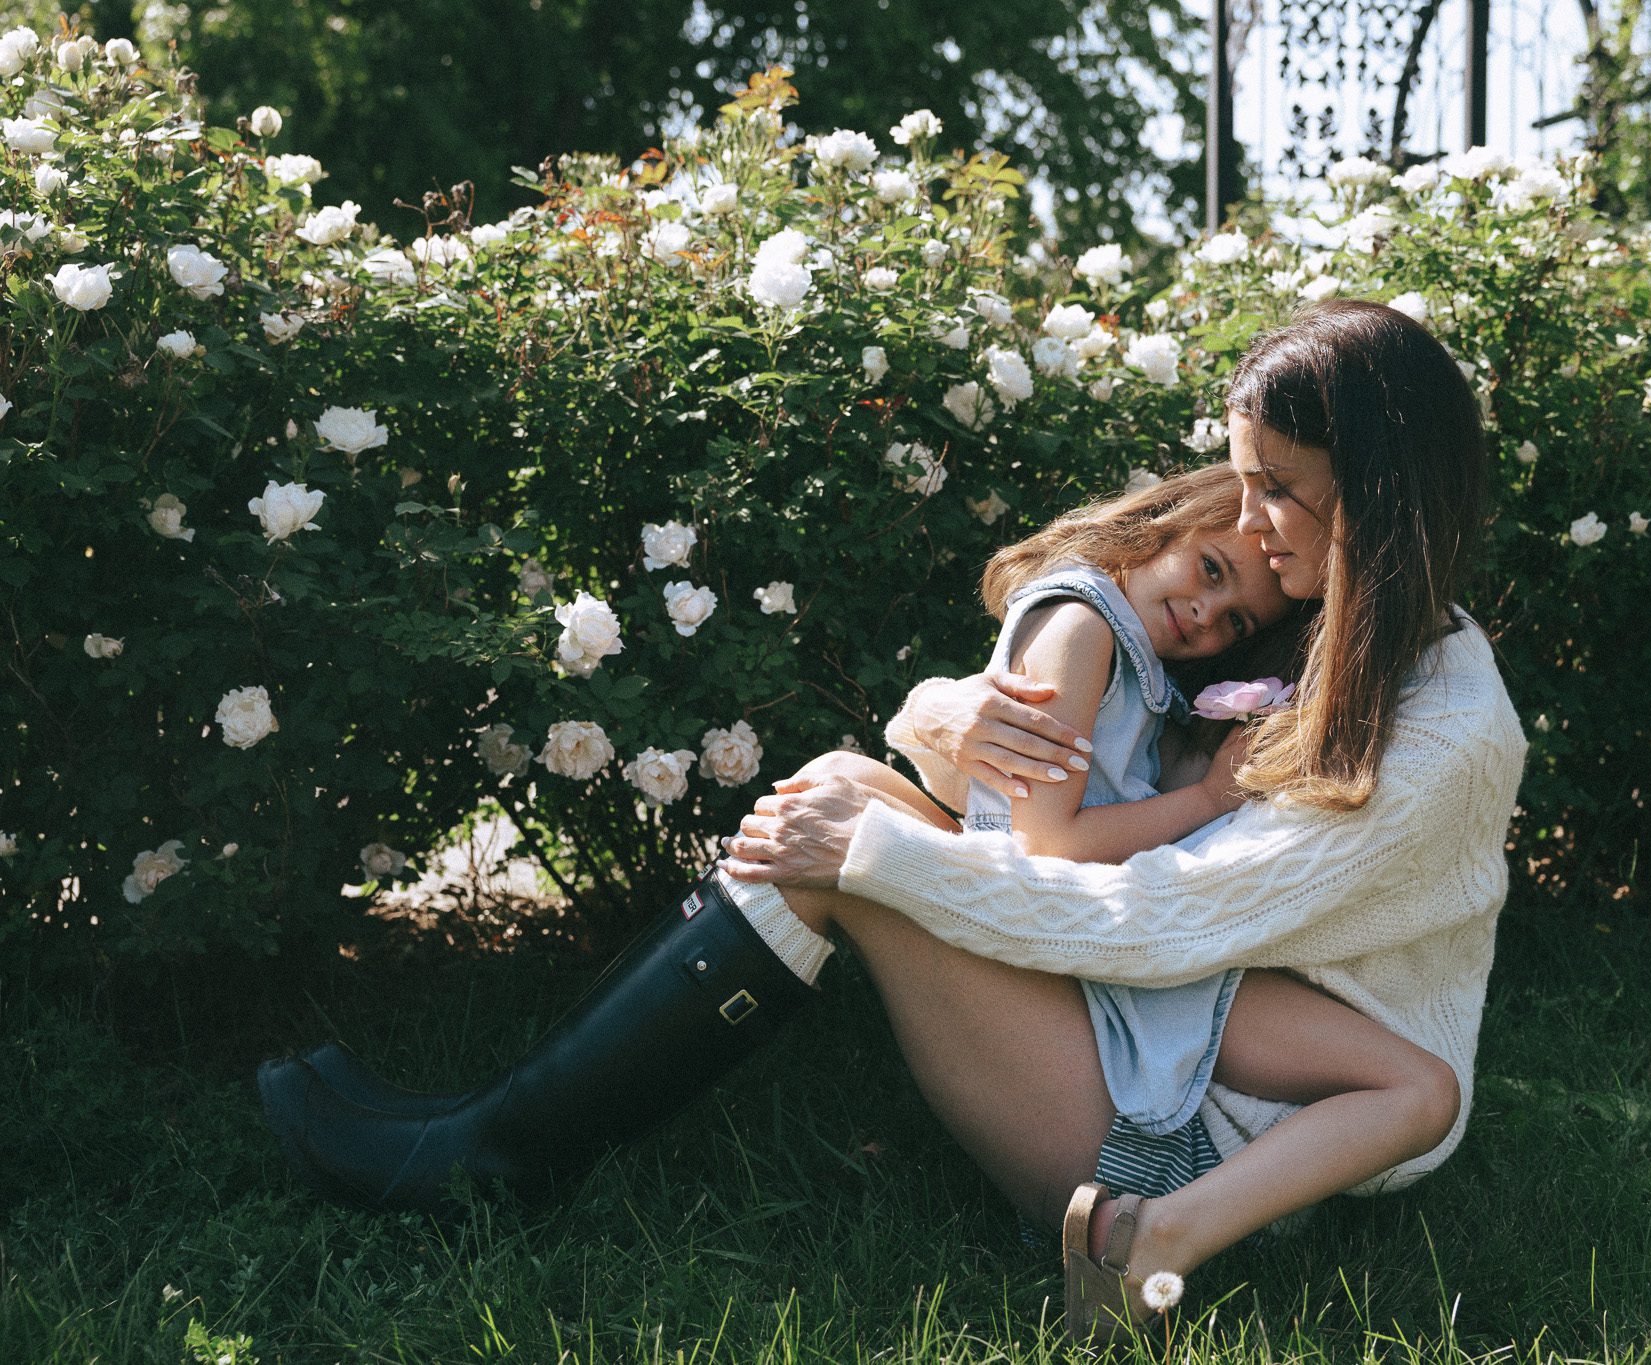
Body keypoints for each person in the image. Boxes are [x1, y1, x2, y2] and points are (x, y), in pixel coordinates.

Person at [259, 298, 1525, 1344]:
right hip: (1163, 1023)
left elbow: (1158, 917)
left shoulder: (1436, 733)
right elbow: (1039, 719)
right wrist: (950, 721)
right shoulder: (1313, 611)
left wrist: (877, 858)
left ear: (1379, 494)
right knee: (846, 788)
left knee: (845, 828)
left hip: (1195, 1126)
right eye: (1238, 491)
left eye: (1278, 493)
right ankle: (496, 1129)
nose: (1243, 529)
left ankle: (495, 1156)